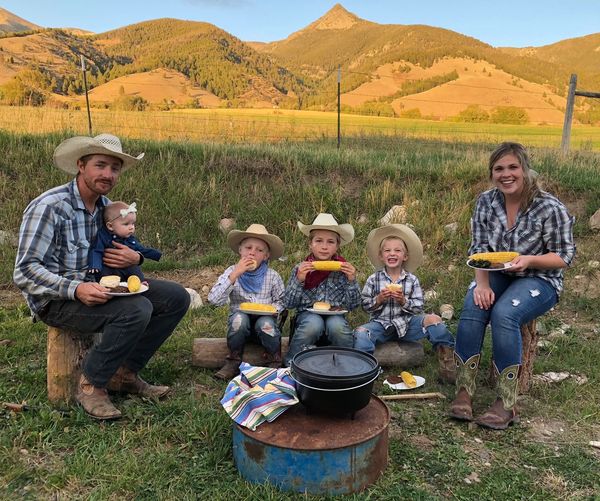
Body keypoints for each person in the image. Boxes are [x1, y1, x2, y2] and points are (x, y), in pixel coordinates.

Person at [13, 133, 190, 420]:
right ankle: (91, 385)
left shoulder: (107, 208)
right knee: (137, 308)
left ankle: (124, 372)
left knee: (176, 297)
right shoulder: (50, 207)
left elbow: (127, 245)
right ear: (81, 165)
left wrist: (137, 258)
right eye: (100, 165)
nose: (108, 174)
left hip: (101, 287)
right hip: (57, 299)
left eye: (115, 168)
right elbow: (25, 271)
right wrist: (76, 289)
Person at [449, 142, 575, 430]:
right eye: (499, 169)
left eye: (513, 167)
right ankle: (464, 390)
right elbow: (478, 248)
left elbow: (564, 257)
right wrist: (481, 283)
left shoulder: (549, 207)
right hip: (496, 272)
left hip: (540, 278)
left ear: (525, 170)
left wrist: (528, 259)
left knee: (504, 314)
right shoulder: (486, 201)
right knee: (473, 306)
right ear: (492, 173)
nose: (506, 174)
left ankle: (507, 402)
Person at [353, 225, 456, 383]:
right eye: (387, 251)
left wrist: (403, 301)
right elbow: (365, 305)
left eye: (397, 250)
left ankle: (448, 363)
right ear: (381, 256)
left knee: (434, 320)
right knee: (361, 332)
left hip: (407, 325)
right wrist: (379, 299)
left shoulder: (411, 280)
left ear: (405, 256)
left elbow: (418, 306)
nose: (392, 253)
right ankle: (365, 372)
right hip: (381, 325)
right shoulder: (374, 279)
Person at [208, 224, 286, 380]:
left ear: (266, 256)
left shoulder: (272, 276)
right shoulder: (232, 272)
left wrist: (273, 309)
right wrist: (235, 274)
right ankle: (233, 360)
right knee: (239, 319)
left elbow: (282, 302)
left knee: (266, 323)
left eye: (259, 250)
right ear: (240, 250)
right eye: (248, 247)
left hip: (264, 324)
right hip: (240, 326)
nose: (252, 252)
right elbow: (214, 300)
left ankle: (274, 358)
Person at [283, 213, 360, 366]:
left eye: (330, 242)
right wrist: (299, 280)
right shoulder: (300, 268)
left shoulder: (343, 269)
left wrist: (352, 280)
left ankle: (348, 363)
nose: (324, 246)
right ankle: (291, 363)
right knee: (313, 323)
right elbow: (289, 303)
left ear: (337, 246)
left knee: (337, 326)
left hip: (335, 314)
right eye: (318, 241)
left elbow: (353, 305)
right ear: (310, 244)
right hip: (307, 314)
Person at [88, 200, 161, 281]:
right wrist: (95, 265)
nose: (131, 227)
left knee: (134, 269)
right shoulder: (103, 236)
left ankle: (139, 283)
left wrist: (157, 255)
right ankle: (108, 287)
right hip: (109, 267)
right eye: (126, 224)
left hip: (127, 267)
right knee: (103, 273)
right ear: (110, 226)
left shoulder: (130, 239)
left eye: (133, 223)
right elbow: (96, 250)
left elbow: (142, 250)